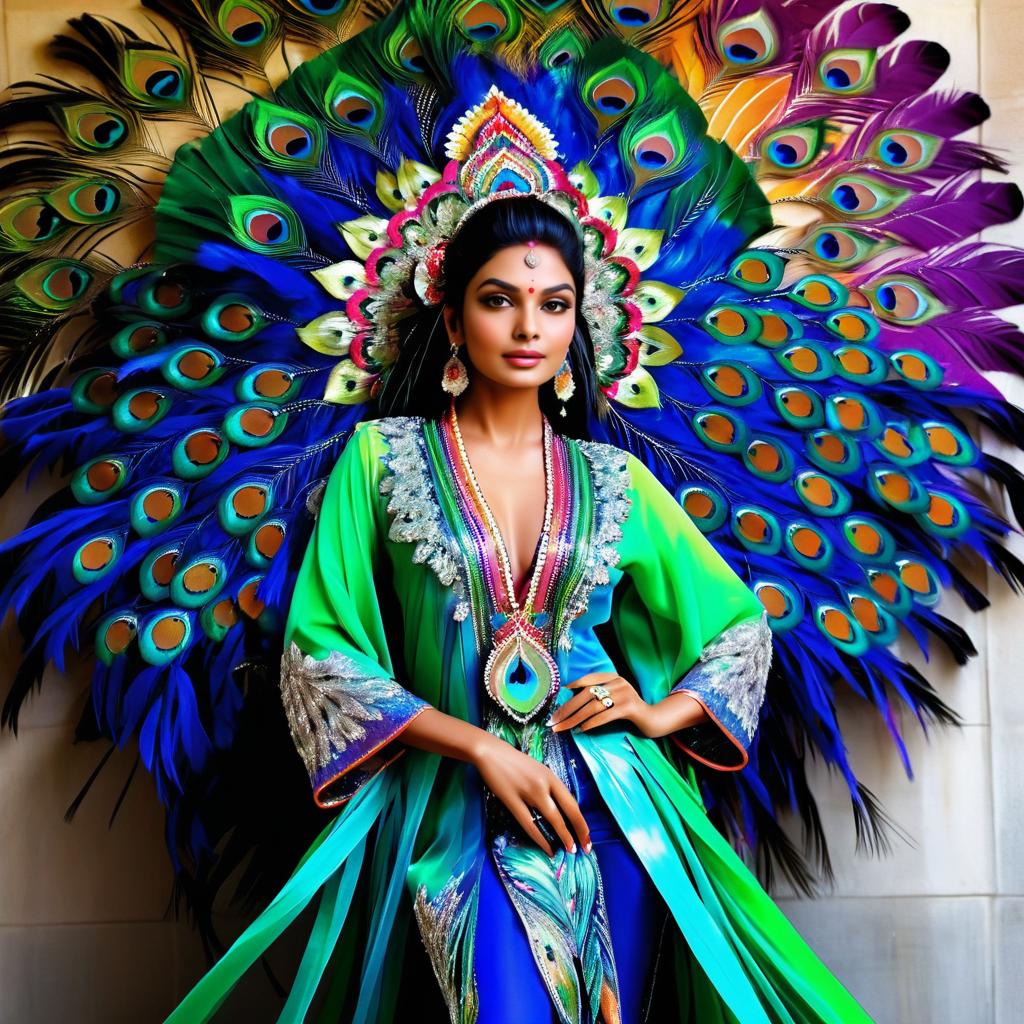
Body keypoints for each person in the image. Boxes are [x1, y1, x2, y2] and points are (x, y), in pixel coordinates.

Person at [167, 186, 873, 1023]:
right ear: (456, 322)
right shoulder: (379, 460)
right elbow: (320, 653)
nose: (529, 328)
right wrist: (477, 747)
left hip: (614, 807)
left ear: (583, 323)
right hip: (457, 807)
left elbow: (738, 627)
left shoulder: (617, 480)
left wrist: (655, 714)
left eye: (555, 304)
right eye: (499, 300)